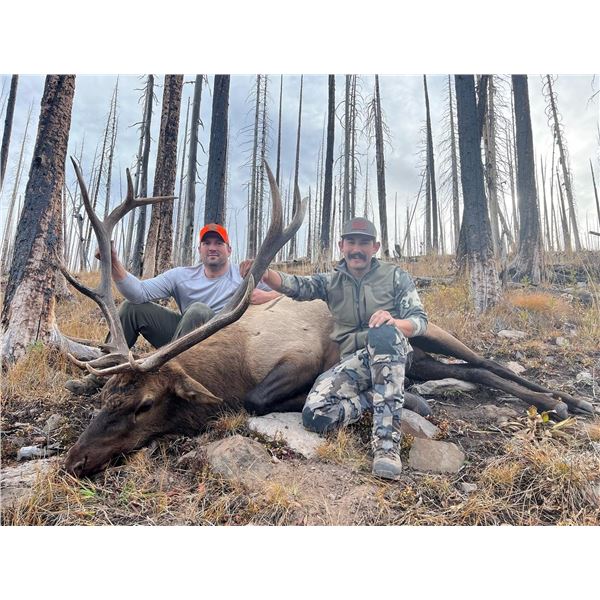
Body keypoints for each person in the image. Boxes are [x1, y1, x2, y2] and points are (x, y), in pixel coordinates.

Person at [240, 217, 428, 480]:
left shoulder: (396, 277)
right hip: (354, 363)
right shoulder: (331, 282)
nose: (357, 249)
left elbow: (420, 321)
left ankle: (386, 448)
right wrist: (265, 274)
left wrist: (395, 322)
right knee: (315, 416)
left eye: (364, 243)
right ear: (342, 246)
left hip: (390, 352)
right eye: (351, 242)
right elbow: (297, 286)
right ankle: (381, 396)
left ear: (375, 247)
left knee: (384, 333)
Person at [66, 223, 279, 396]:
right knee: (131, 308)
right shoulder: (182, 275)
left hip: (222, 351)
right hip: (184, 340)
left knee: (198, 311)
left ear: (229, 250)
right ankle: (97, 376)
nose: (212, 247)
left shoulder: (244, 275)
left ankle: (167, 381)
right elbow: (138, 293)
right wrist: (114, 262)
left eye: (219, 243)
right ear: (200, 250)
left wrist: (267, 296)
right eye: (206, 243)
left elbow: (290, 296)